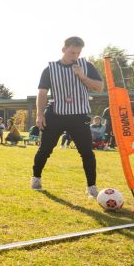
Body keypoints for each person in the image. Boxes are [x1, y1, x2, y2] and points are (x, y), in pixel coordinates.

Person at [31, 36, 104, 198]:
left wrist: (83, 76)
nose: (75, 56)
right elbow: (42, 93)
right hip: (56, 114)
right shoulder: (49, 69)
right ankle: (36, 178)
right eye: (72, 52)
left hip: (79, 116)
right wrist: (39, 113)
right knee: (45, 149)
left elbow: (99, 87)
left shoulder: (87, 66)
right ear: (64, 50)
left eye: (78, 53)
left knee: (87, 152)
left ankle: (91, 187)